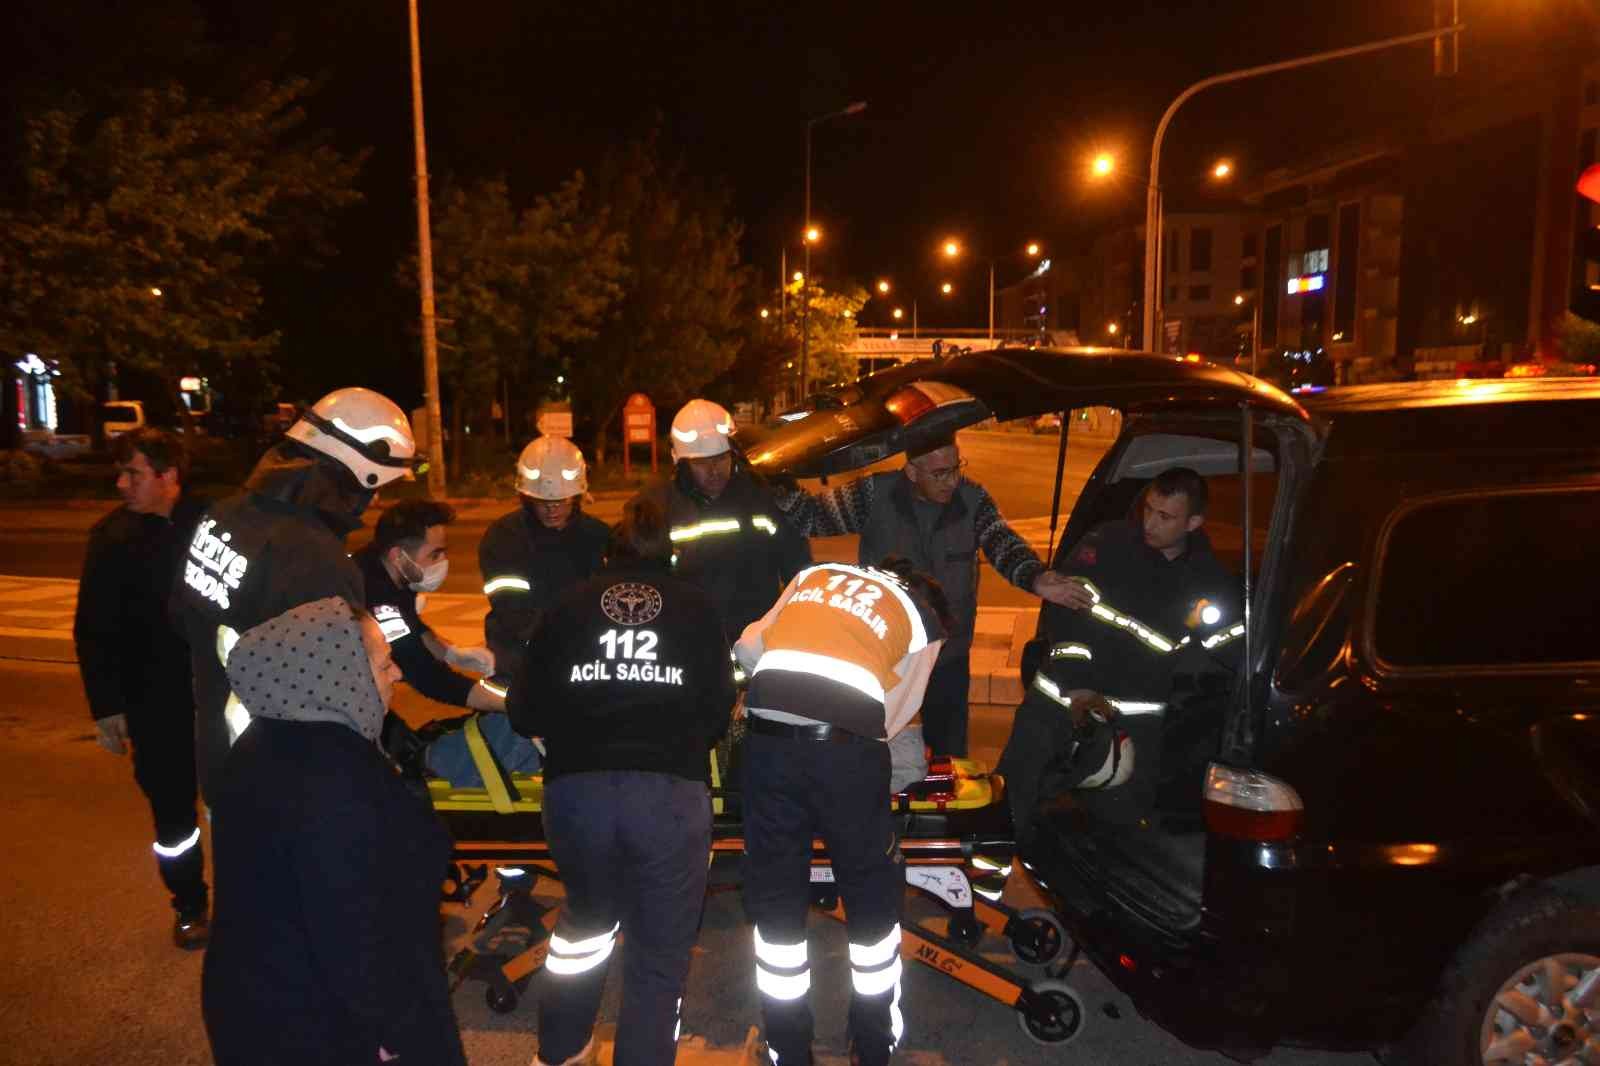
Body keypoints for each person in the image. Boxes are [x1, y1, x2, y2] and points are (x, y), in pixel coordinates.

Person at [507, 498, 736, 1066]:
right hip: (667, 796)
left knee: (583, 929)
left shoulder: (567, 607)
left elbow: (524, 709)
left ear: (609, 553)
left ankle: (559, 1054)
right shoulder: (699, 610)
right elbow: (718, 709)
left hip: (577, 793)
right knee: (658, 957)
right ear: (673, 557)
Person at [202, 597, 466, 1066]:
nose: (397, 675)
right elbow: (352, 924)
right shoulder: (335, 778)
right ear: (338, 674)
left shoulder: (264, 743)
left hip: (262, 1006)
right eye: (384, 664)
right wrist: (388, 1032)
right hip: (324, 1027)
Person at [734, 558, 949, 1066]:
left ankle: (789, 1049)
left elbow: (748, 648)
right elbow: (891, 716)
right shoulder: (923, 619)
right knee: (871, 904)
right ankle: (872, 1048)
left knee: (778, 907)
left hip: (767, 747)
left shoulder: (817, 574)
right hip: (846, 756)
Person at [173, 386, 416, 804]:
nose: (376, 499)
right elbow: (347, 698)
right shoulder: (316, 560)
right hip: (289, 783)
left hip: (222, 758)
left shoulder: (224, 514)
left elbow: (182, 616)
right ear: (354, 474)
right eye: (376, 487)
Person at [774, 433, 1080, 757]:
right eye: (939, 473)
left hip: (948, 657)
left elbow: (1003, 543)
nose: (951, 481)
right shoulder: (874, 494)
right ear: (912, 472)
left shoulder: (972, 499)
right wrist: (776, 475)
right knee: (875, 752)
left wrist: (1036, 577)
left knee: (949, 761)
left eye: (955, 468)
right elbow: (810, 517)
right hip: (887, 657)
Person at [996, 466, 1243, 842]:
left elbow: (1234, 648)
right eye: (1148, 509)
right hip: (1059, 702)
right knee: (1010, 806)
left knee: (1118, 830)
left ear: (1194, 522)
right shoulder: (1107, 542)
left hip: (1134, 722)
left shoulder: (1208, 581)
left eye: (1165, 516)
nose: (1151, 523)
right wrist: (1078, 686)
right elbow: (1065, 614)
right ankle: (978, 882)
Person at [73, 428, 210, 949]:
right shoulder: (111, 539)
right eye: (122, 472)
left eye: (133, 472)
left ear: (167, 475)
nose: (121, 483)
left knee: (244, 800)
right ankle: (190, 904)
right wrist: (107, 707)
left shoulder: (214, 523)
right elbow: (92, 630)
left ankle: (256, 902)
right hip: (155, 704)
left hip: (222, 694)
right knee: (173, 814)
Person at [633, 398, 811, 644]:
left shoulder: (762, 495)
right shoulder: (658, 505)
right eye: (701, 463)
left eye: (720, 459)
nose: (714, 470)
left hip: (756, 643)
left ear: (734, 454)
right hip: (688, 642)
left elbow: (798, 567)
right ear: (681, 462)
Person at [478, 435, 610, 689]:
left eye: (560, 501)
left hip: (586, 659)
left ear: (577, 495)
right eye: (543, 502)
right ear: (526, 497)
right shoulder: (504, 537)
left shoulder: (599, 536)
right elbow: (511, 610)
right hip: (518, 661)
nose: (552, 509)